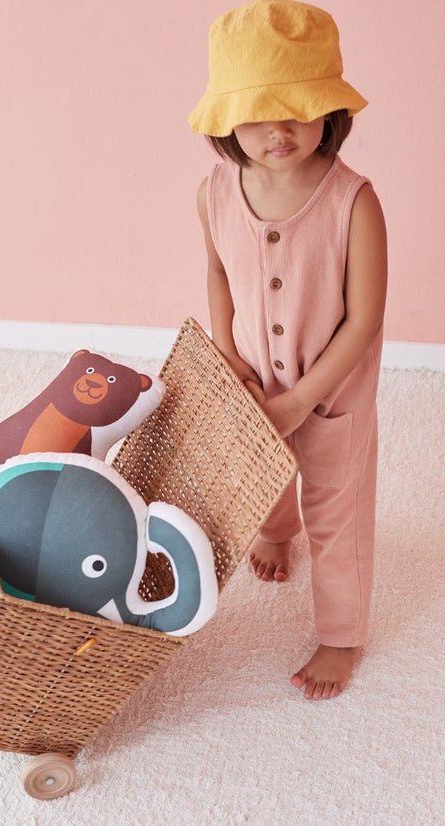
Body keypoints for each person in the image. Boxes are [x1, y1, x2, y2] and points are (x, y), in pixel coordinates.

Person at [189, 0, 387, 699]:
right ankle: (275, 533)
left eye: (298, 109)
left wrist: (302, 398)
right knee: (264, 475)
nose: (279, 129)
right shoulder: (215, 192)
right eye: (258, 112)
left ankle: (341, 634)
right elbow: (217, 270)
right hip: (252, 383)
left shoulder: (353, 202)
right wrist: (227, 351)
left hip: (330, 394)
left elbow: (363, 320)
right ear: (225, 121)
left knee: (336, 510)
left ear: (328, 110)